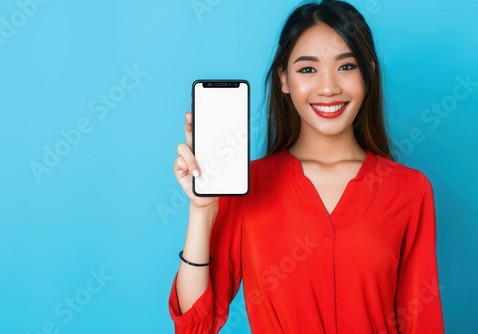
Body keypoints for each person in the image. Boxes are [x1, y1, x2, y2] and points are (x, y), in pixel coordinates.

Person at [169, 0, 445, 333]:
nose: (328, 88)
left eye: (346, 66)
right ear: (283, 79)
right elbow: (195, 325)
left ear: (369, 72)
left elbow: (422, 322)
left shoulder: (410, 190)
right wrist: (202, 210)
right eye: (308, 69)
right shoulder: (248, 186)